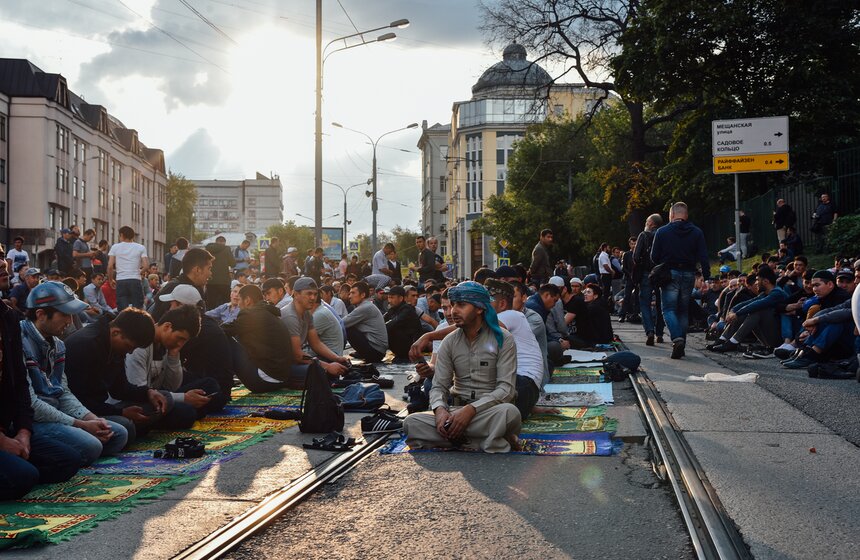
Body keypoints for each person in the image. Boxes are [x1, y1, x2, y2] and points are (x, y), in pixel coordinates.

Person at [403, 281, 521, 453]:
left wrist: (471, 410)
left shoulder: (504, 339)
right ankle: (484, 441)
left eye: (461, 305)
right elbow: (438, 386)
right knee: (411, 423)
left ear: (479, 308)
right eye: (452, 305)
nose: (453, 311)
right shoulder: (449, 341)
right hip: (455, 412)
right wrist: (440, 411)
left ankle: (456, 440)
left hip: (488, 412)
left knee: (510, 413)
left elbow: (506, 390)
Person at [22, 282, 129, 467]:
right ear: (40, 315)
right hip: (32, 421)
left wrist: (90, 418)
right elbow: (31, 404)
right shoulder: (19, 341)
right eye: (64, 314)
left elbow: (62, 391)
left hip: (58, 415)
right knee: (92, 446)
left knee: (118, 433)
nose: (70, 321)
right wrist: (79, 424)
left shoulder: (58, 345)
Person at [0, 262, 80, 500]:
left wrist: (24, 432)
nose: (4, 265)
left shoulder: (7, 317)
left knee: (68, 460)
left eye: (3, 257)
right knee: (23, 477)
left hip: (10, 426)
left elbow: (20, 387)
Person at [65, 307, 167, 444]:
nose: (130, 352)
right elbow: (78, 401)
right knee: (125, 429)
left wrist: (148, 392)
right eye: (130, 346)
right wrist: (120, 412)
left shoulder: (114, 344)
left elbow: (120, 389)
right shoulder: (85, 346)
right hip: (81, 413)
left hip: (101, 408)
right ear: (116, 332)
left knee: (167, 400)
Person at [125, 304, 222, 425]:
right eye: (179, 338)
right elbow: (140, 393)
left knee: (210, 385)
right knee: (187, 412)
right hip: (139, 401)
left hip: (162, 396)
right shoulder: (141, 345)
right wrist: (183, 398)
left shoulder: (167, 345)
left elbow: (172, 386)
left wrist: (174, 355)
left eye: (184, 341)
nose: (180, 344)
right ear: (167, 326)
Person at [651, 202, 710, 359]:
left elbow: (653, 256)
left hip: (670, 273)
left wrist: (663, 262)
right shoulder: (697, 232)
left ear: (671, 215)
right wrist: (707, 276)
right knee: (683, 310)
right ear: (686, 215)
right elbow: (704, 256)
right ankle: (681, 342)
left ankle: (677, 339)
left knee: (668, 309)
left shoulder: (662, 232)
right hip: (689, 274)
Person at [223, 284, 299, 392]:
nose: (238, 304)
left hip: (262, 381)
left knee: (224, 338)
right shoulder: (269, 313)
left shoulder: (251, 314)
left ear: (247, 300)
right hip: (281, 379)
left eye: (240, 300)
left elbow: (223, 331)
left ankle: (221, 384)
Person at [486, 279, 544, 420]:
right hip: (525, 387)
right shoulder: (513, 316)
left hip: (522, 384)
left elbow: (478, 329)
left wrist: (430, 336)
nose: (481, 307)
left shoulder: (511, 315)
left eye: (487, 302)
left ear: (502, 304)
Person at [709, 266, 787, 355]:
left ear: (766, 281)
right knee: (745, 311)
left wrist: (737, 314)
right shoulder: (765, 293)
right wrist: (733, 311)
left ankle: (733, 343)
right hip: (769, 336)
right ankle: (722, 339)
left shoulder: (777, 293)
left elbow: (756, 304)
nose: (756, 283)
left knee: (756, 311)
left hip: (780, 340)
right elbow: (748, 302)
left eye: (758, 280)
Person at [281, 277, 350, 376]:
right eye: (309, 294)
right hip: (280, 366)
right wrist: (327, 366)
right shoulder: (290, 316)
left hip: (292, 361)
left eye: (315, 294)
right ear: (296, 294)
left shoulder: (306, 314)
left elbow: (316, 343)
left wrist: (337, 358)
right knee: (319, 373)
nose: (313, 298)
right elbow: (297, 355)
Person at [150, 248, 213, 320]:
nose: (210, 274)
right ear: (197, 270)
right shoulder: (175, 288)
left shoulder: (194, 286)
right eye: (209, 269)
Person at [634, 213, 665, 346]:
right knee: (660, 304)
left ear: (651, 223)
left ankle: (649, 331)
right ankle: (659, 333)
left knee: (645, 303)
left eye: (647, 221)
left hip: (646, 273)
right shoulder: (664, 234)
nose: (645, 223)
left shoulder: (643, 235)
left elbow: (636, 256)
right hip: (661, 273)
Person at [343, 280, 389, 363]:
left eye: (353, 293)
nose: (350, 296)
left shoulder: (365, 307)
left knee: (347, 329)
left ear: (363, 295)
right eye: (350, 293)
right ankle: (362, 353)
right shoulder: (365, 305)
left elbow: (342, 323)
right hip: (378, 350)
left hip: (376, 352)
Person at [108, 226, 149, 310]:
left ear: (122, 235)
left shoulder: (115, 247)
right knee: (137, 309)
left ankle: (124, 323)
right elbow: (146, 266)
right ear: (133, 236)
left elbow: (110, 266)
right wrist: (139, 272)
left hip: (121, 280)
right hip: (135, 280)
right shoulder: (141, 247)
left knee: (123, 310)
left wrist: (110, 279)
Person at [383, 285, 424, 363]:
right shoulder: (393, 309)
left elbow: (394, 323)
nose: (389, 300)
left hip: (411, 347)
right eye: (388, 297)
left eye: (392, 297)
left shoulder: (407, 309)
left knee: (392, 329)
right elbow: (382, 321)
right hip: (402, 346)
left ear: (401, 298)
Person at [309, 287, 345, 357]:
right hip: (329, 354)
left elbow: (303, 339)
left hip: (330, 358)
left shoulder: (319, 314)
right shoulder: (320, 309)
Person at [204, 235, 235, 309]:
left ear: (216, 242)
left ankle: (210, 319)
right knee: (226, 303)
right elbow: (233, 263)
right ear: (224, 242)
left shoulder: (208, 249)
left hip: (210, 279)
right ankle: (225, 319)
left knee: (211, 302)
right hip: (224, 281)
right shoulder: (226, 249)